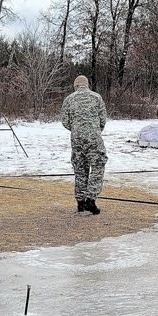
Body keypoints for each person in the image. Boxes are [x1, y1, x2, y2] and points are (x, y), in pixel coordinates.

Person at [60, 75, 108, 214]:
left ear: (75, 86)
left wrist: (76, 129)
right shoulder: (96, 97)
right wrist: (95, 130)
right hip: (93, 137)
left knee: (80, 168)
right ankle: (91, 199)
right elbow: (102, 119)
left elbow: (65, 121)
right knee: (98, 165)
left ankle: (80, 202)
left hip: (76, 139)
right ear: (87, 85)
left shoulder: (69, 99)